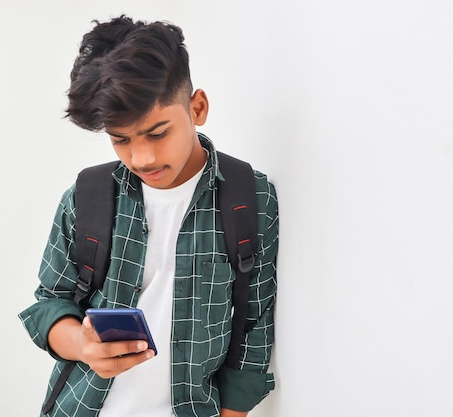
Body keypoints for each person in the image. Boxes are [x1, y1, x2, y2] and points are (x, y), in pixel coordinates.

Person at [19, 15, 278, 417]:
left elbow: (255, 325)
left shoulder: (249, 196)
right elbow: (50, 302)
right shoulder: (88, 196)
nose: (142, 158)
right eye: (120, 140)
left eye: (158, 133)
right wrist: (84, 345)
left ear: (197, 107)